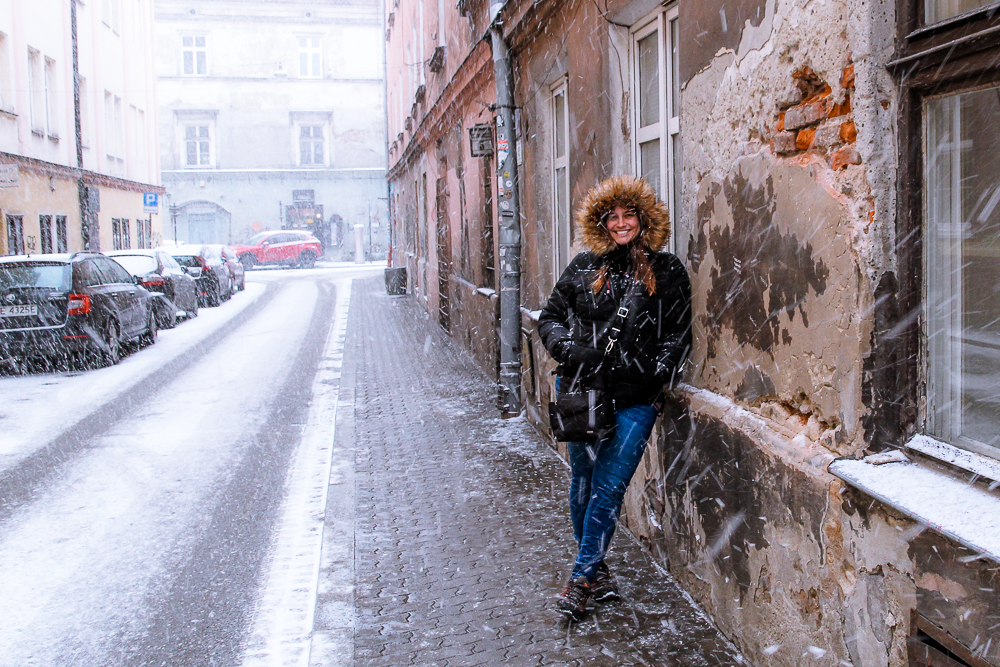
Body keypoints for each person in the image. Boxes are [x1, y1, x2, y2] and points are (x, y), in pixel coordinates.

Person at [538, 175, 691, 621]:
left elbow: (678, 334)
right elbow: (550, 317)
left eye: (629, 215)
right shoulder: (585, 266)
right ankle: (598, 570)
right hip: (582, 391)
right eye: (613, 217)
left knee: (609, 487)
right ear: (601, 223)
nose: (621, 224)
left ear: (644, 220)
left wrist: (655, 374)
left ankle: (581, 579)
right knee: (584, 482)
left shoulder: (667, 270)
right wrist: (571, 350)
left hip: (636, 400)